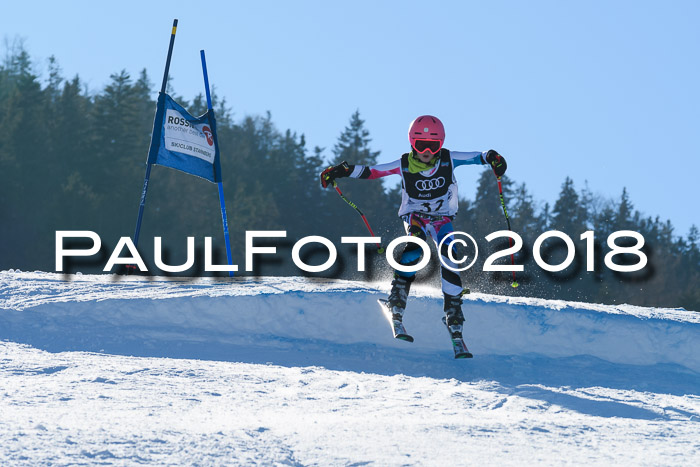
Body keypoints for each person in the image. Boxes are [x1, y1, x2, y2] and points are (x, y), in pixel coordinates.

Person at [319, 115, 507, 347]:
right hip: (415, 217)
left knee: (451, 254)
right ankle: (396, 299)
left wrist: (493, 157)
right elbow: (373, 172)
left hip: (441, 219)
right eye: (421, 145)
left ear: (441, 145)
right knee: (414, 249)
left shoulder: (448, 159)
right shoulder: (403, 164)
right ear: (412, 143)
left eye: (433, 145)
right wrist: (343, 170)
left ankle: (453, 312)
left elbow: (479, 157)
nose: (427, 151)